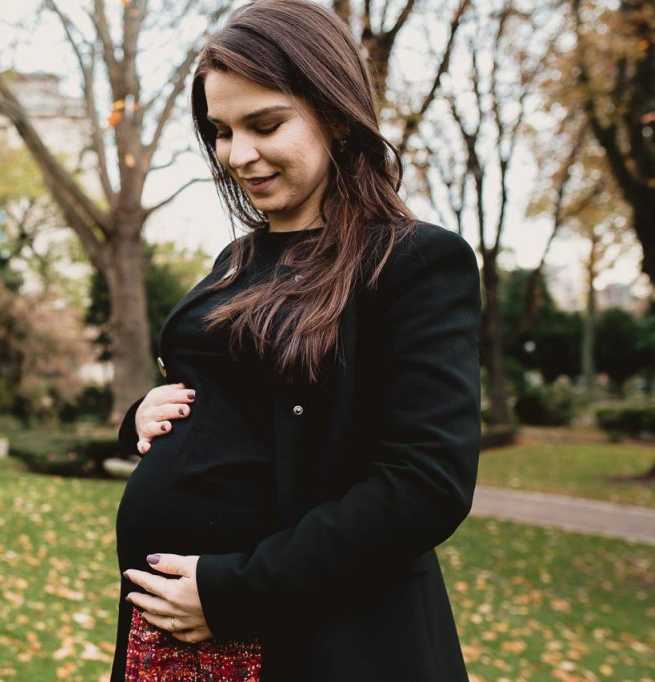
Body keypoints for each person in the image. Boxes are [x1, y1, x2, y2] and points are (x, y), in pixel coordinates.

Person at [110, 0, 481, 679]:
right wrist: (143, 412)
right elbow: (234, 394)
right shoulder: (237, 260)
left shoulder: (413, 264)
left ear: (335, 115)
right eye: (221, 131)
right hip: (170, 637)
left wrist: (236, 591)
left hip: (306, 635)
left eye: (265, 124)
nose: (237, 154)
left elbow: (425, 484)